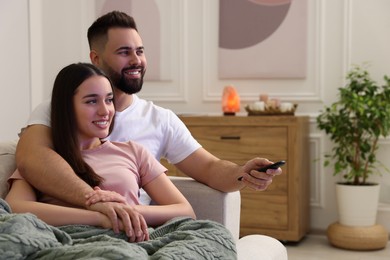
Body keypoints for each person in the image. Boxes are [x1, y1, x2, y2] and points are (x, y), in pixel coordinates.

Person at [16, 11, 282, 228]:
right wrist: (99, 205)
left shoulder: (158, 122)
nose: (136, 60)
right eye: (124, 52)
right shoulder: (56, 109)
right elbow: (31, 160)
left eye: (140, 51)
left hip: (134, 230)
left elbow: (209, 168)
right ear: (96, 58)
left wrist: (242, 173)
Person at [6, 63, 195, 243]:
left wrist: (124, 211)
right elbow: (15, 208)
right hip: (72, 242)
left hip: (134, 240)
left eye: (109, 100)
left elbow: (185, 211)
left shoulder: (133, 151)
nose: (105, 111)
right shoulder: (44, 161)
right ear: (67, 107)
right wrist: (99, 217)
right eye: (92, 101)